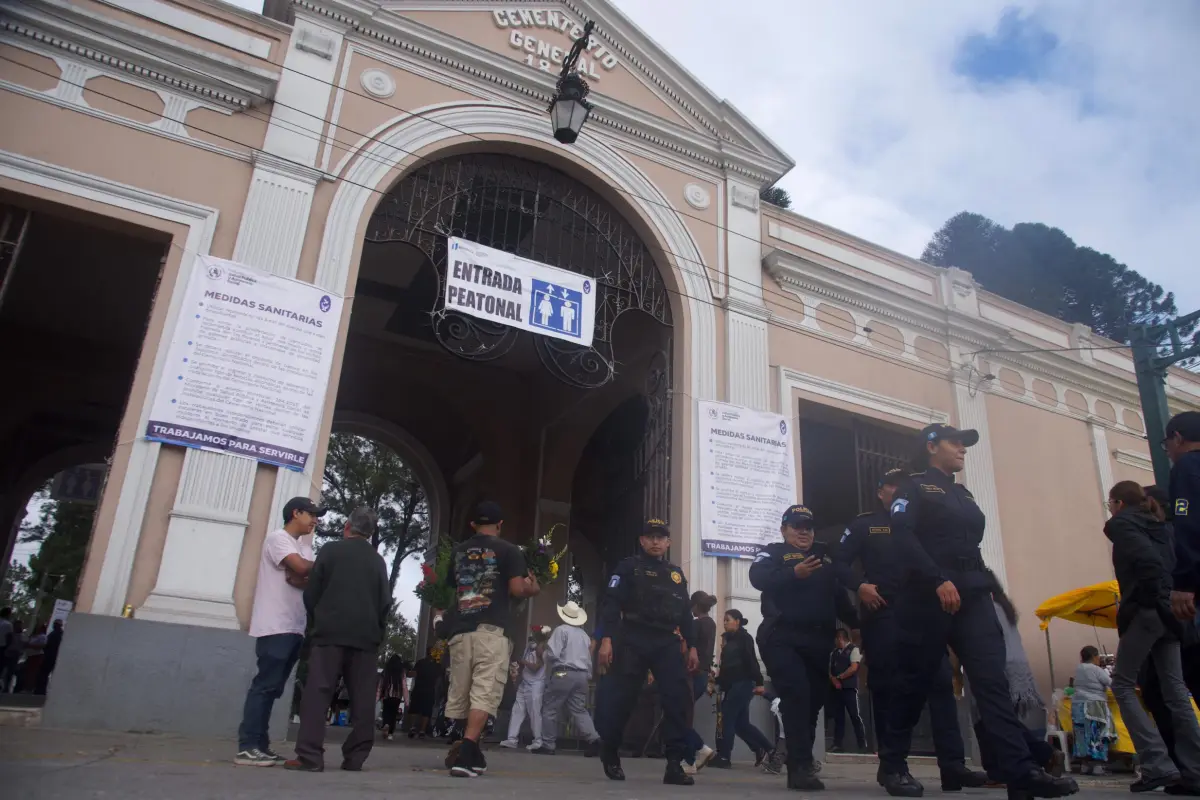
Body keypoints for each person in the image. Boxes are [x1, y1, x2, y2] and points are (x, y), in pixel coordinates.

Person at [877, 423, 1077, 799]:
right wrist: (936, 578)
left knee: (992, 685)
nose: (963, 449)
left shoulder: (963, 493)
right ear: (931, 446)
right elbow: (902, 535)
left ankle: (1021, 773)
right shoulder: (913, 487)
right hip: (927, 597)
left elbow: (973, 548)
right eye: (955, 442)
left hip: (973, 596)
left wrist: (993, 595)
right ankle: (892, 766)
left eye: (964, 444)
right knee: (912, 684)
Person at [834, 467, 984, 790]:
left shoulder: (923, 524)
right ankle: (893, 765)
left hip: (924, 612)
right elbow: (839, 562)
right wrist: (860, 586)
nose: (898, 490)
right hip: (885, 612)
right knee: (891, 684)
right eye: (892, 485)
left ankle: (953, 766)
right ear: (880, 492)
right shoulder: (865, 524)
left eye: (903, 485)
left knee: (942, 683)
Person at [749, 504, 858, 791]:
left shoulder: (824, 559)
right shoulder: (773, 553)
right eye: (796, 526)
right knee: (796, 696)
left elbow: (842, 602)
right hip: (782, 637)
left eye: (808, 527)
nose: (803, 532)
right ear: (784, 529)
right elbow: (757, 578)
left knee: (812, 703)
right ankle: (799, 767)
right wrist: (792, 573)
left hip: (819, 642)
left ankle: (800, 760)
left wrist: (865, 621)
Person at [1105, 480, 1200, 793]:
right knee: (1175, 689)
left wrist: (1147, 602)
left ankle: (1156, 762)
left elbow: (1148, 563)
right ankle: (1195, 768)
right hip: (1171, 613)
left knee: (1121, 683)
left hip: (1149, 613)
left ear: (1118, 503)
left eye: (1110, 503)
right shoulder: (1159, 524)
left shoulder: (1123, 524)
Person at [287, 507, 390, 773]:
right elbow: (384, 603)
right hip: (365, 638)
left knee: (318, 692)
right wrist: (377, 632)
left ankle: (310, 757)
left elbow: (312, 594)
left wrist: (317, 621)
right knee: (363, 698)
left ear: (347, 527)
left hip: (329, 633)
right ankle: (355, 757)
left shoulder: (330, 551)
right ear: (370, 533)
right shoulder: (378, 561)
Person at [596, 518, 698, 786]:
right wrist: (606, 639)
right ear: (642, 540)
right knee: (624, 699)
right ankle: (611, 750)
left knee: (677, 700)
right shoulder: (628, 567)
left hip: (666, 641)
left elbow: (685, 613)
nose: (655, 541)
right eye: (650, 537)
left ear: (668, 542)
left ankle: (674, 764)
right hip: (633, 637)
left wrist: (693, 644)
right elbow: (611, 603)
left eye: (660, 537)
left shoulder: (676, 574)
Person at [444, 501, 540, 778]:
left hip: (461, 630)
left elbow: (455, 587)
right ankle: (467, 751)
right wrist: (532, 589)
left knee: (464, 692)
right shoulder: (508, 550)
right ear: (500, 525)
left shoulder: (459, 551)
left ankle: (471, 752)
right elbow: (516, 589)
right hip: (491, 630)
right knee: (485, 693)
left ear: (472, 525)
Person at [234, 496, 320, 767]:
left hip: (295, 627)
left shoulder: (304, 547)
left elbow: (307, 579)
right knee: (264, 686)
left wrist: (305, 574)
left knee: (274, 689)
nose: (315, 520)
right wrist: (314, 569)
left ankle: (261, 745)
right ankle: (247, 746)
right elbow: (301, 570)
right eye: (311, 514)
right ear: (296, 513)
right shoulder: (277, 539)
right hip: (275, 625)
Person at [971, 570, 1059, 779]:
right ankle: (1039, 756)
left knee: (990, 719)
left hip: (998, 665)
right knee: (1001, 717)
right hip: (1017, 667)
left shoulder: (986, 607)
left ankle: (1033, 757)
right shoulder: (1005, 607)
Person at [709, 609, 775, 769]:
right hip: (733, 686)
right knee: (741, 724)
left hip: (743, 684)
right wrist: (716, 681)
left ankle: (724, 757)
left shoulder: (744, 638)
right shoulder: (729, 641)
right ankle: (767, 749)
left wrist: (759, 682)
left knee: (726, 718)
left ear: (737, 621)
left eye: (728, 620)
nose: (724, 623)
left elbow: (751, 660)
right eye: (724, 620)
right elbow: (727, 669)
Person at [535, 601, 602, 755]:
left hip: (563, 672)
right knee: (579, 709)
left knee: (550, 708)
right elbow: (588, 658)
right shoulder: (584, 635)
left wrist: (542, 654)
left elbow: (553, 655)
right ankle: (594, 739)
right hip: (582, 675)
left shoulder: (561, 631)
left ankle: (548, 744)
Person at [1166, 412, 1200, 623]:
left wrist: (1185, 583)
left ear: (1177, 438)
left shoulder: (1187, 466)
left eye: (1167, 444)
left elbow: (1188, 523)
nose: (1168, 453)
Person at [683, 591, 718, 774]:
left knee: (682, 717)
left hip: (692, 674)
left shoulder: (695, 625)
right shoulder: (711, 624)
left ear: (695, 606)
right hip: (703, 674)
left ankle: (695, 755)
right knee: (684, 715)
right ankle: (693, 756)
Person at [501, 625, 549, 750]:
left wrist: (523, 662)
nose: (531, 635)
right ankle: (512, 739)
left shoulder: (542, 648)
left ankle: (538, 741)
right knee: (517, 710)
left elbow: (536, 667)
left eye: (534, 633)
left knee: (534, 712)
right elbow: (525, 665)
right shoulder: (529, 647)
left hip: (536, 684)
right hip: (525, 683)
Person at [1071, 646, 1113, 774]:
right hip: (1094, 705)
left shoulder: (1078, 668)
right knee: (1097, 734)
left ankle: (1085, 764)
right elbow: (1110, 682)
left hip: (1078, 705)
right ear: (1095, 657)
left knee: (1082, 735)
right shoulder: (1096, 669)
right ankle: (1097, 766)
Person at [407, 647, 442, 738]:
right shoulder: (437, 665)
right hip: (430, 690)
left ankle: (412, 728)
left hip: (418, 688)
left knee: (414, 709)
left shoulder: (421, 662)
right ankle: (422, 730)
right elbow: (439, 679)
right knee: (426, 711)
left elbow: (413, 673)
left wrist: (407, 672)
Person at [379, 655, 408, 740]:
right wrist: (406, 700)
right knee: (393, 714)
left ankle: (386, 724)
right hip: (397, 696)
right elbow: (404, 686)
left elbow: (380, 685)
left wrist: (377, 697)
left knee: (386, 712)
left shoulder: (385, 671)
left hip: (386, 696)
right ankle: (390, 733)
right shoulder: (401, 672)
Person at [34, 619, 64, 695]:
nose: (54, 625)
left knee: (43, 674)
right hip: (54, 657)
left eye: (55, 624)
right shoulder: (61, 634)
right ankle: (41, 690)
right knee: (45, 674)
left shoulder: (55, 634)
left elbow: (47, 645)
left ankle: (40, 690)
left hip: (49, 656)